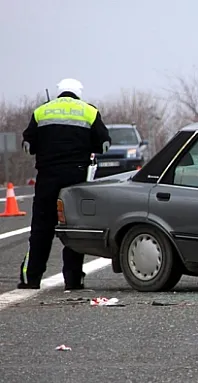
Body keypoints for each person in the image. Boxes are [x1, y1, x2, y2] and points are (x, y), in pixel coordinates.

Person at [17, 78, 111, 290]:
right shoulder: (89, 112)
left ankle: (31, 279)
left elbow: (27, 145)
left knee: (41, 230)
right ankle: (73, 279)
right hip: (76, 179)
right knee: (74, 227)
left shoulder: (42, 112)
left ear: (59, 92)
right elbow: (104, 145)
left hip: (47, 177)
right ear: (78, 93)